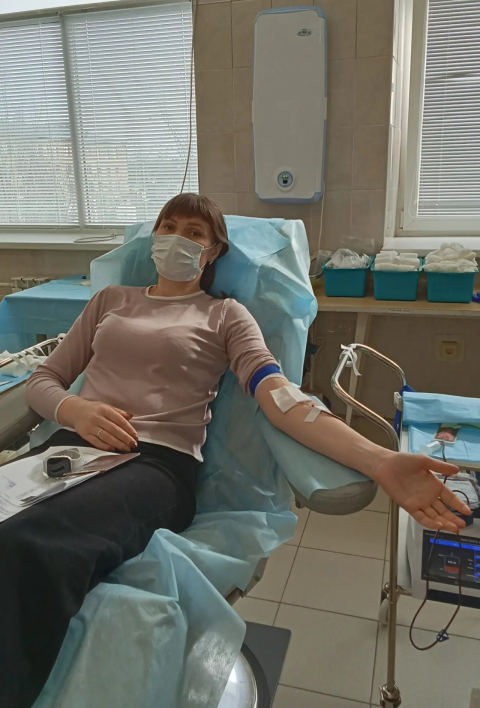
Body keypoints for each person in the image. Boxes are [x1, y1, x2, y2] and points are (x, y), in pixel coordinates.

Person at [0, 193, 469, 708]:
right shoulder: (111, 301)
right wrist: (74, 411)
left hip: (151, 463)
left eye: (194, 233)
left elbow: (280, 398)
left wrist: (380, 460)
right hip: (71, 447)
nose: (177, 239)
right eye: (168, 227)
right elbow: (44, 381)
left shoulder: (225, 315)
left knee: (29, 544)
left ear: (213, 251)